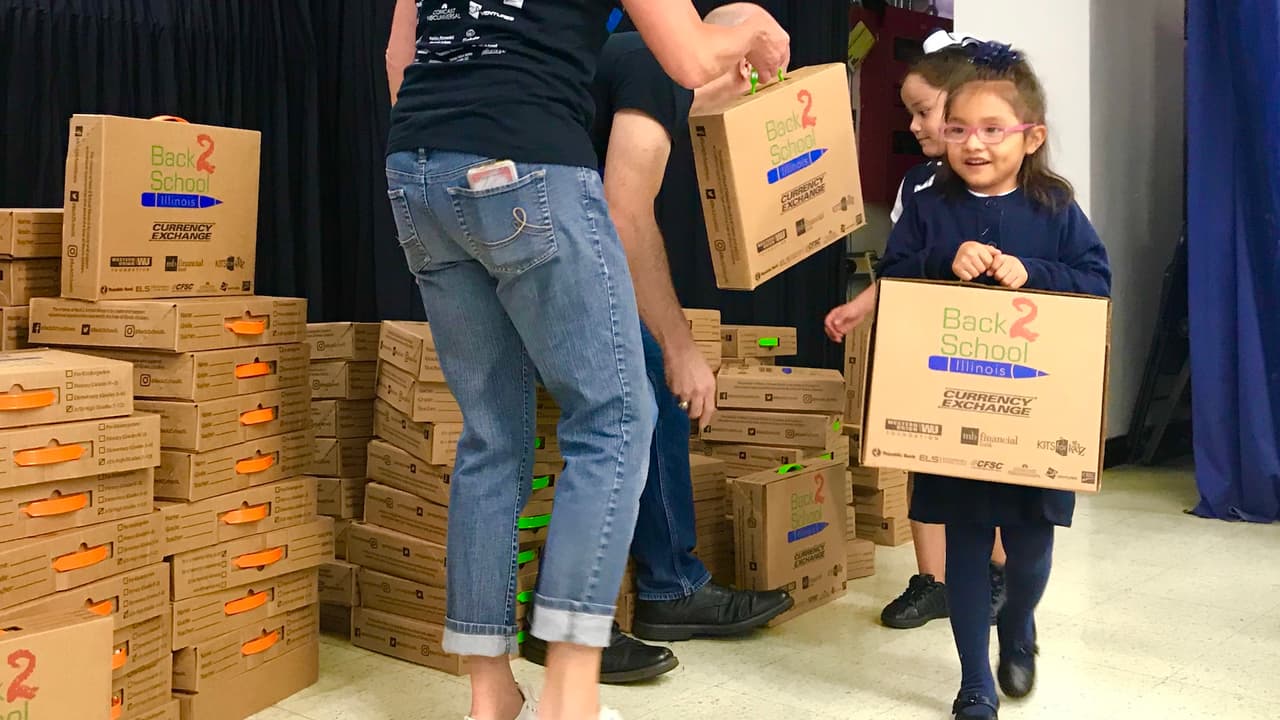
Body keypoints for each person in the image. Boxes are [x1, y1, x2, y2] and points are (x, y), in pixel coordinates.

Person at [383, 2, 789, 719]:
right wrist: (752, 36)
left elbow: (400, 57)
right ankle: (569, 703)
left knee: (490, 440)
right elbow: (692, 56)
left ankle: (491, 700)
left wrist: (454, 147)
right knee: (614, 424)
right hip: (528, 161)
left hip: (417, 169)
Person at [520, 5, 795, 685]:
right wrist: (681, 346)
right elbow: (623, 212)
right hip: (545, 247)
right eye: (754, 71)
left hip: (493, 227)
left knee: (633, 386)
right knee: (636, 392)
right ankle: (606, 615)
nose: (755, 88)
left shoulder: (619, 63)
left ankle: (668, 587)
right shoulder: (648, 64)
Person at [876, 41, 1111, 719]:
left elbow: (1097, 281)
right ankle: (974, 681)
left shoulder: (1055, 208)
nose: (971, 144)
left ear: (1031, 136)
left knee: (1031, 553)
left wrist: (1032, 275)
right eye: (957, 130)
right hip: (954, 414)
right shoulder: (929, 206)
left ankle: (1020, 624)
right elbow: (892, 275)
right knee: (969, 549)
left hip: (1031, 426)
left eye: (991, 130)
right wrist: (943, 260)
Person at [823, 31, 1009, 631]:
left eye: (925, 111)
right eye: (912, 113)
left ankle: (998, 572)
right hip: (926, 346)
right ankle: (934, 581)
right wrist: (863, 307)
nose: (918, 125)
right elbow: (900, 267)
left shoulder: (1004, 182)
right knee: (923, 459)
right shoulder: (916, 187)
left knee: (993, 462)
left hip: (992, 351)